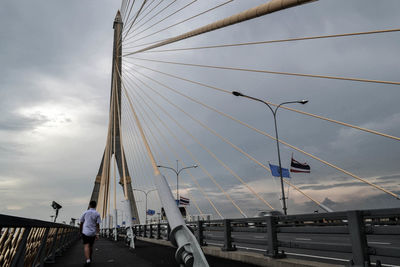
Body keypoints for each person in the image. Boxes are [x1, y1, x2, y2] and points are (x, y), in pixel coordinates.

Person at [80, 200, 101, 266]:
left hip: (85, 232)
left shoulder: (85, 212)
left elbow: (81, 223)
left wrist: (80, 231)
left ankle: (88, 260)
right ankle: (90, 257)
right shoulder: (97, 214)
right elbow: (98, 225)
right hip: (93, 233)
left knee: (86, 245)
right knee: (91, 246)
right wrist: (97, 234)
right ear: (95, 206)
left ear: (89, 205)